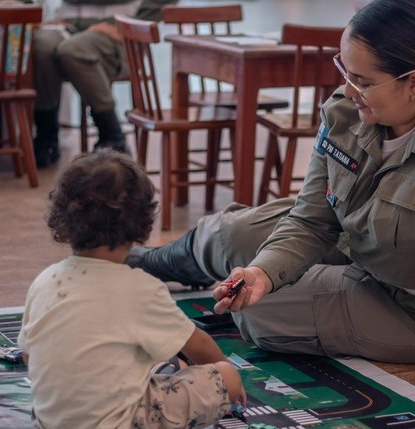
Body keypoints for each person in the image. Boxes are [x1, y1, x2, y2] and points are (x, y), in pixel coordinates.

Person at [128, 0, 415, 418]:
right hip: (362, 243)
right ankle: (147, 264)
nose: (349, 89)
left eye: (364, 80)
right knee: (231, 239)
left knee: (262, 310)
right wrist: (263, 272)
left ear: (414, 82)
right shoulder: (349, 109)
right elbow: (312, 218)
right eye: (345, 70)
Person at [18, 149, 245, 429]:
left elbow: (30, 356)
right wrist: (223, 371)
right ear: (142, 224)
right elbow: (198, 345)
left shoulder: (45, 280)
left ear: (63, 218)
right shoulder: (141, 288)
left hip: (50, 421)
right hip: (124, 423)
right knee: (225, 376)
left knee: (145, 358)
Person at [32, 0, 173, 168]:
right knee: (41, 48)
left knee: (73, 50)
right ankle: (46, 136)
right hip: (65, 22)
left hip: (115, 30)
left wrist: (136, 23)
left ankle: (112, 135)